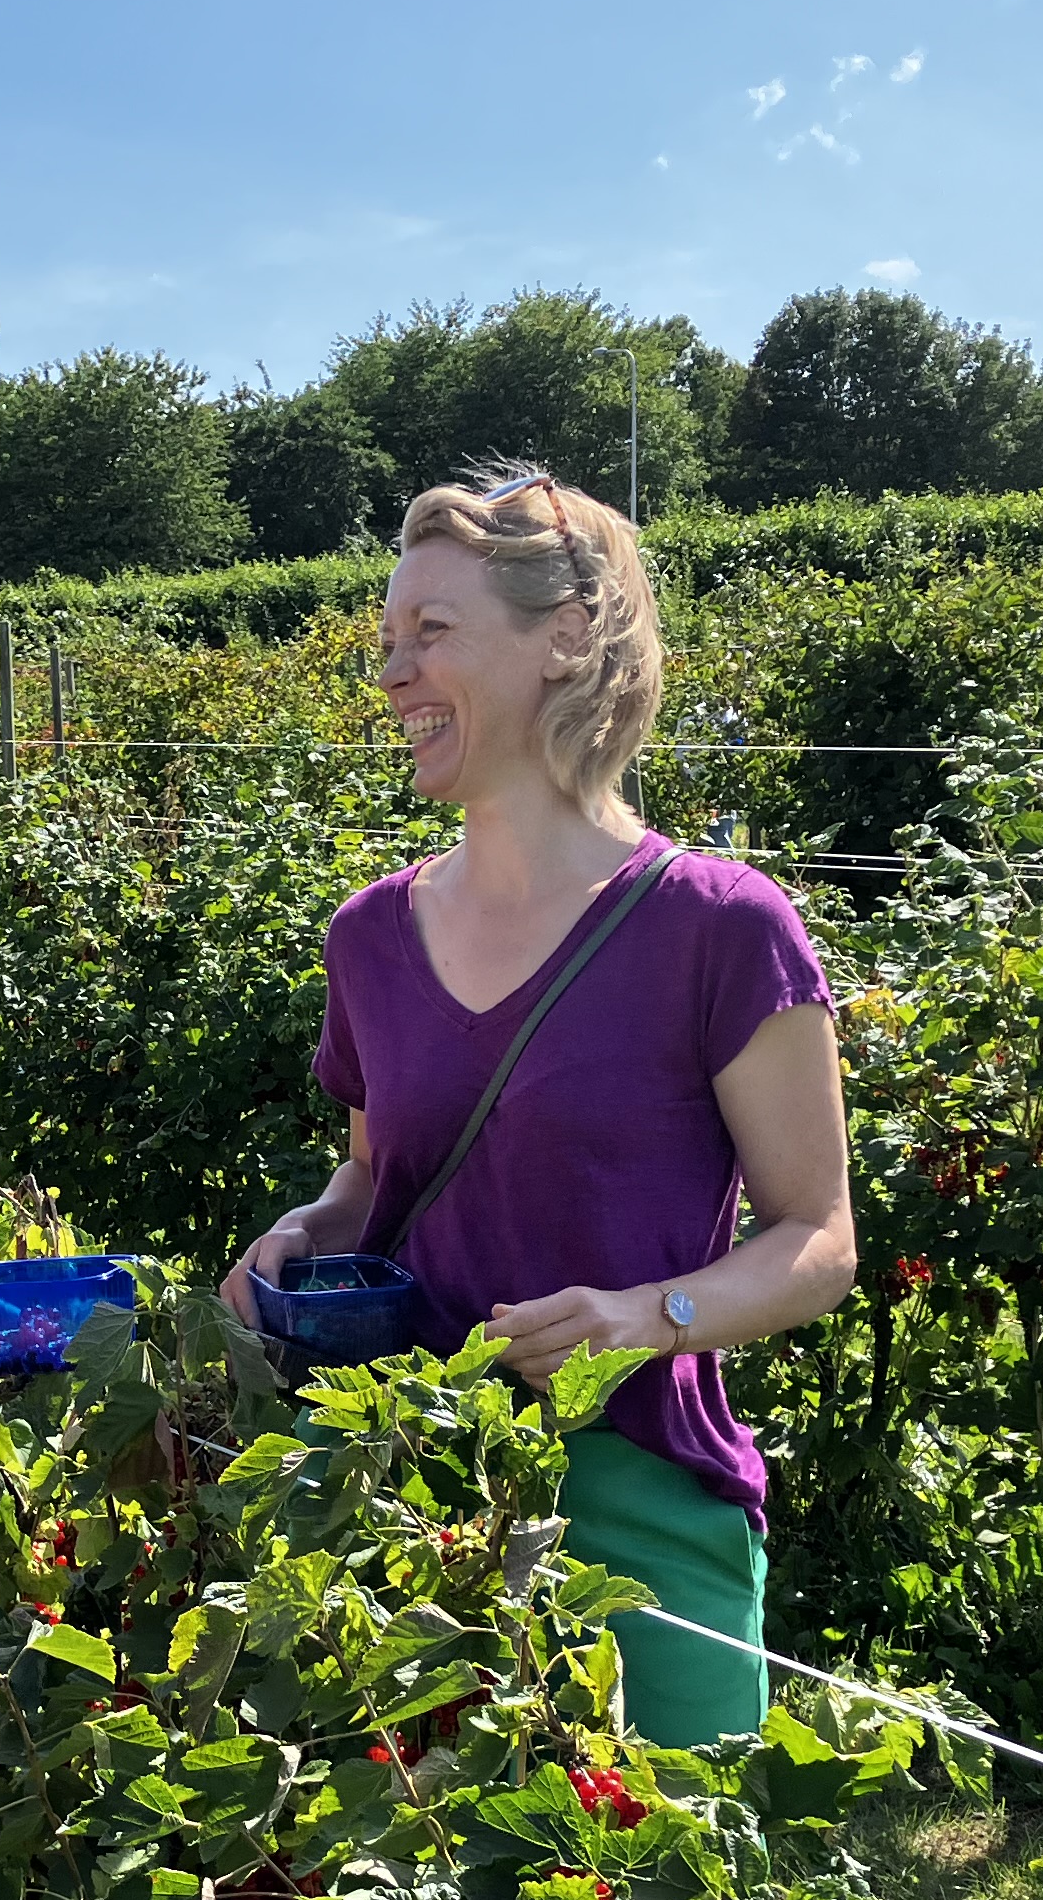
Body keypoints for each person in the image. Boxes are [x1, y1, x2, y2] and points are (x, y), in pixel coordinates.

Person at [222, 472, 856, 1745]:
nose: (394, 675)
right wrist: (302, 1233)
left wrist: (644, 1316)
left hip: (636, 1501)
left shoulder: (721, 928)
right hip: (413, 1498)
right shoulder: (370, 938)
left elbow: (818, 1240)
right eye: (388, 644)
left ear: (567, 638)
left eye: (433, 634)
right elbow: (368, 1184)